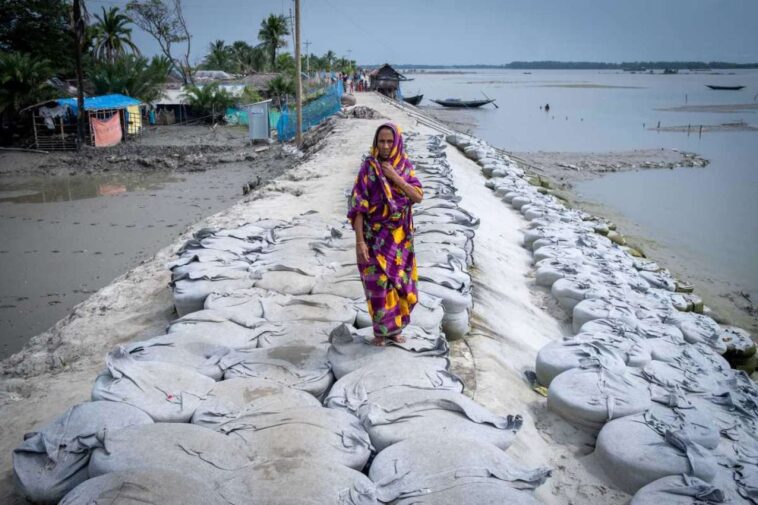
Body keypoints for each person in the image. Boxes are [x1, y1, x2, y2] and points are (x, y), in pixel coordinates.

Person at [347, 123, 424, 346]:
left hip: (400, 242)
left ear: (397, 142)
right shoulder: (368, 169)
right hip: (373, 239)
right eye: (381, 141)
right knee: (378, 287)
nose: (386, 146)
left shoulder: (404, 166)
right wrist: (360, 241)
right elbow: (358, 207)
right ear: (375, 143)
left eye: (390, 141)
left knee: (401, 286)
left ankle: (396, 330)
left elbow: (418, 196)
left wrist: (395, 178)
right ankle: (380, 333)